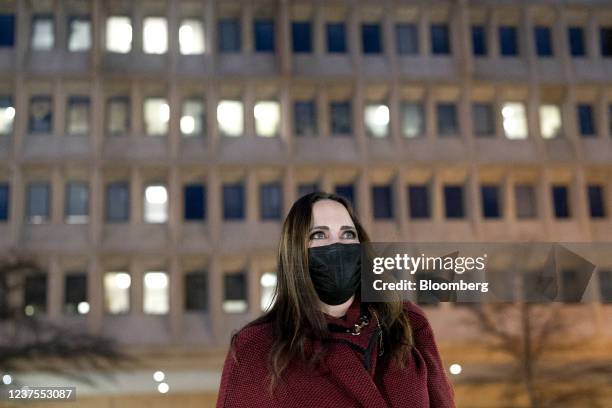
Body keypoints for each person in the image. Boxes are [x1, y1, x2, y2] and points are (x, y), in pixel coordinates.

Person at [216, 192, 456, 408]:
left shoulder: (405, 323)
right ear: (295, 252)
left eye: (347, 234)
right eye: (319, 235)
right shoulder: (257, 346)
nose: (337, 245)